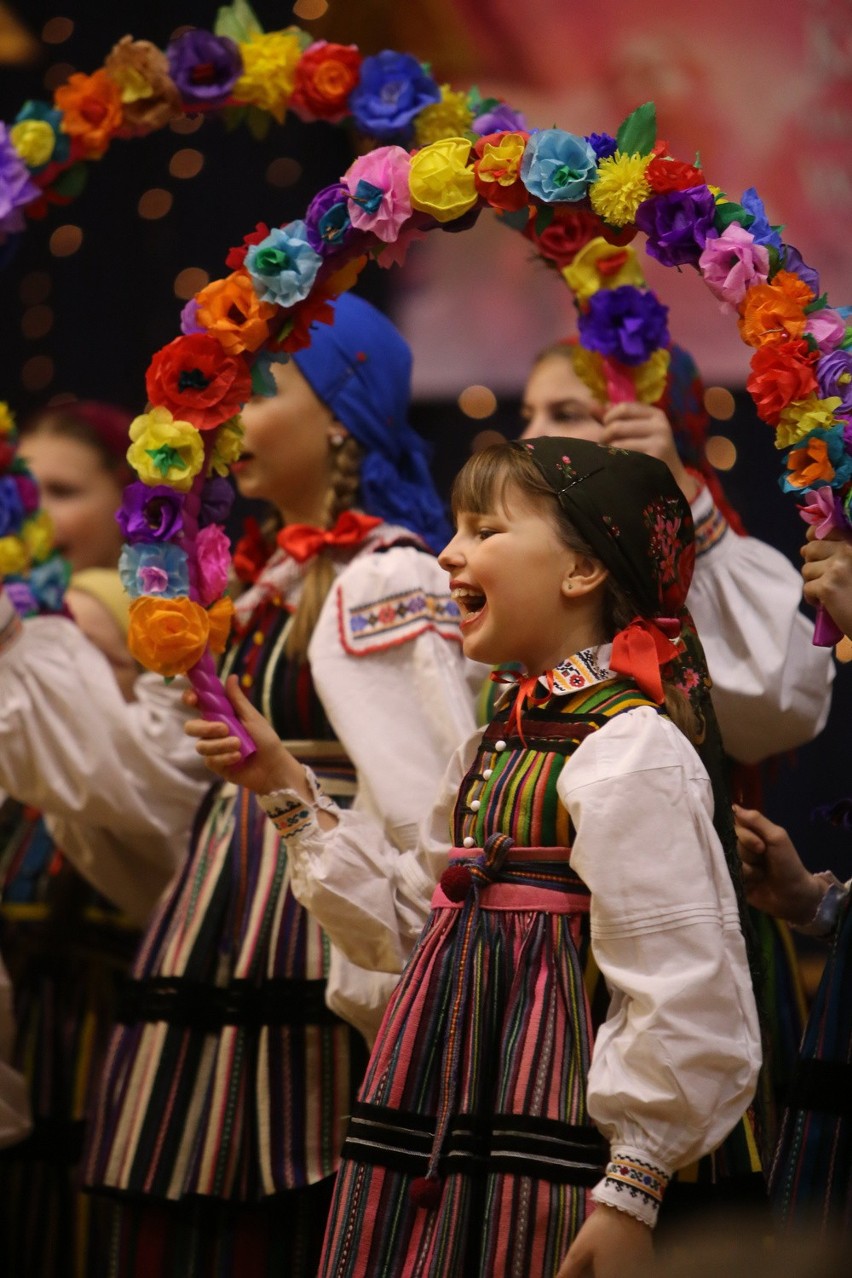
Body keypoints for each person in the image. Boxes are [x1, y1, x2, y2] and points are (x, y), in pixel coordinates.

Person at [188, 436, 762, 1277]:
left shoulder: (628, 749)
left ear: (582, 571)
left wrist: (632, 1189)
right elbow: (413, 933)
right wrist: (281, 782)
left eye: (485, 531)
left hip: (557, 1159)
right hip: (460, 1130)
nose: (450, 553)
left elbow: (684, 983)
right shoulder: (497, 741)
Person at [73, 293, 480, 1276]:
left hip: (311, 909)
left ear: (340, 414)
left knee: (305, 1168)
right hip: (229, 893)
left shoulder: (386, 577)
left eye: (259, 390)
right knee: (196, 1157)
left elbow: (427, 790)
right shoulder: (269, 585)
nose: (228, 418)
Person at [520, 340, 834, 766]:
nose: (529, 436)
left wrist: (674, 494)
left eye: (566, 414)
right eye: (529, 415)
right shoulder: (513, 563)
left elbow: (784, 708)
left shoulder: (713, 569)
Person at [0, 400, 145, 1278]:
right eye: (29, 488)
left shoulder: (121, 609)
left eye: (66, 490)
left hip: (101, 969)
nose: (41, 513)